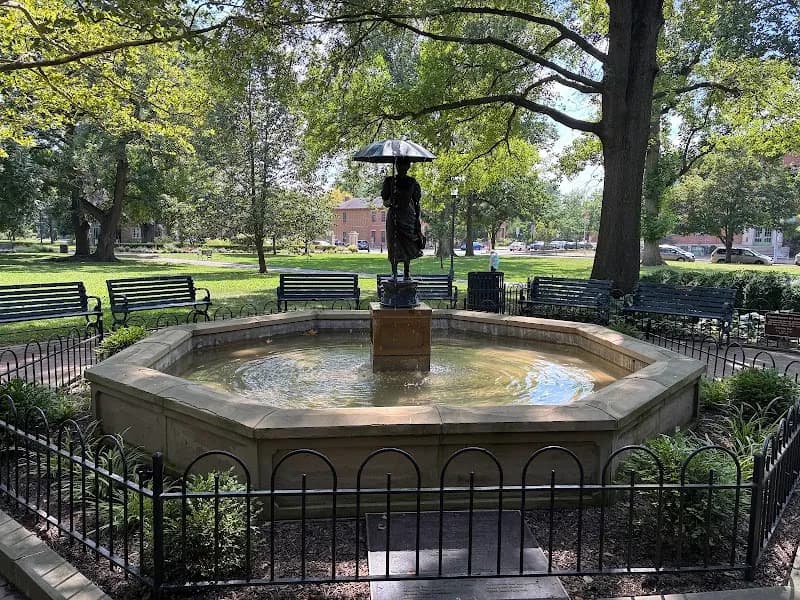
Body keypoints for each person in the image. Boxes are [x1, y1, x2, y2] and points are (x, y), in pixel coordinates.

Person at [381, 157, 424, 279]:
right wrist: (391, 201)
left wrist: (416, 219)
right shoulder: (390, 181)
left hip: (408, 216)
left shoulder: (412, 182)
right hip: (394, 216)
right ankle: (394, 272)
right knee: (393, 242)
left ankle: (406, 272)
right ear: (396, 166)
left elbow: (416, 201)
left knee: (407, 243)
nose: (402, 168)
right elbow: (385, 200)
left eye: (405, 165)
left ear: (408, 167)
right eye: (400, 165)